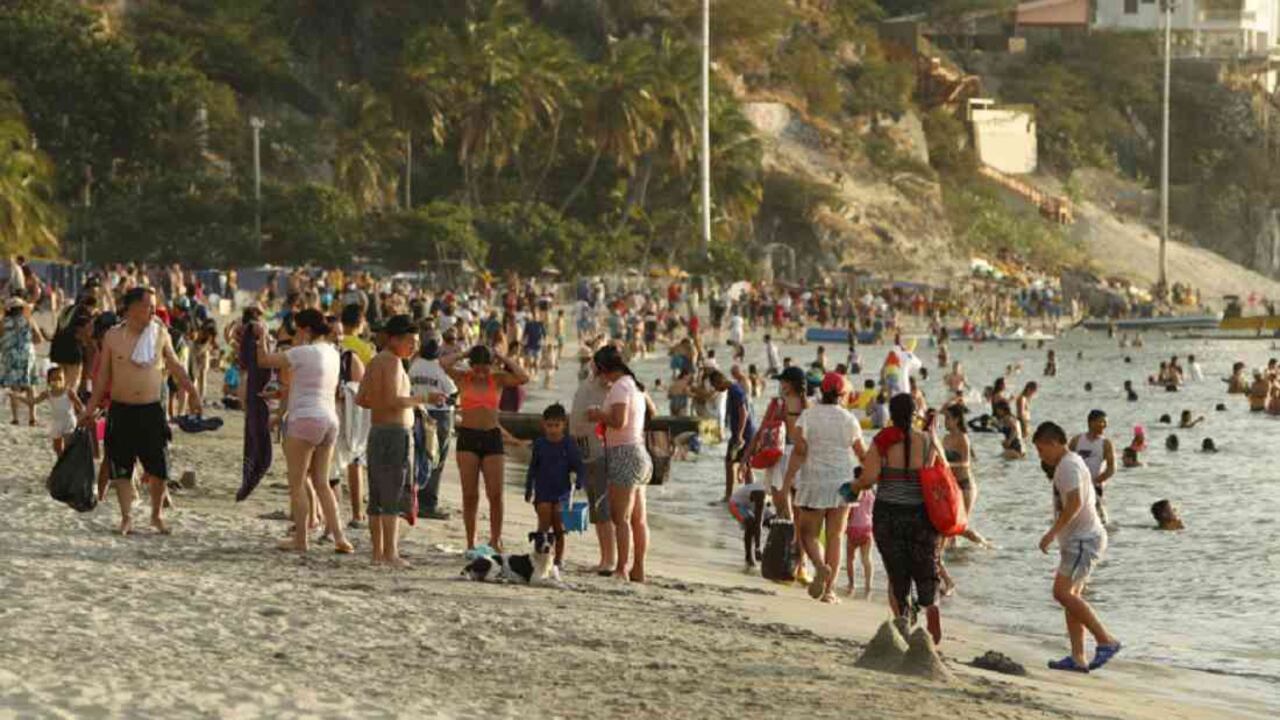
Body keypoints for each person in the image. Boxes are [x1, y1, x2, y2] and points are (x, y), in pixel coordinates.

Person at [78, 287, 202, 536]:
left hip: (151, 409)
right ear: (131, 308)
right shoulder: (113, 337)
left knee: (159, 467)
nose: (153, 311)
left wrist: (193, 393)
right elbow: (102, 379)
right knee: (121, 466)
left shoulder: (159, 333)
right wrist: (88, 409)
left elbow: (176, 366)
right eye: (148, 306)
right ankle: (126, 518)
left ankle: (156, 516)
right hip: (121, 409)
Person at [255, 308, 354, 554]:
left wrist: (262, 336)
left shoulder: (302, 352)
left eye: (298, 330)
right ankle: (340, 537)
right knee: (322, 482)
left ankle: (301, 538)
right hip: (330, 419)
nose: (296, 334)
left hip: (304, 419)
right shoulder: (332, 352)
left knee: (297, 483)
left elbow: (264, 360)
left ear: (306, 330)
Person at [853, 393, 945, 644]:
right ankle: (932, 609)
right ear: (915, 414)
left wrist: (854, 485)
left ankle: (903, 619)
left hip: (889, 515)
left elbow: (869, 478)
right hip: (921, 514)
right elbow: (937, 471)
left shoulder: (882, 441)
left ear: (891, 414)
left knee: (897, 572)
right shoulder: (927, 440)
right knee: (927, 568)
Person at [1032, 422, 1121, 673]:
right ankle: (1078, 657)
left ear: (1054, 443)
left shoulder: (1068, 466)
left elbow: (1074, 503)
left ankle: (1106, 640)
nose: (1041, 456)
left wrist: (1051, 533)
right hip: (1081, 539)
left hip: (1084, 540)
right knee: (1071, 598)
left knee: (1062, 593)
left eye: (1041, 450)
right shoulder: (1070, 461)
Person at [781, 372, 865, 604]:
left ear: (822, 391)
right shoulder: (849, 419)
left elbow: (799, 450)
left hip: (813, 481)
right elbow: (861, 454)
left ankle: (819, 566)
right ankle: (829, 592)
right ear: (842, 394)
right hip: (843, 482)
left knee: (808, 533)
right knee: (836, 536)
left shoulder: (807, 416)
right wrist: (870, 478)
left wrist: (788, 480)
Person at [356, 315, 429, 567]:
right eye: (411, 341)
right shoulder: (394, 363)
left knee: (377, 494)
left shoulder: (376, 361)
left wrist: (388, 404)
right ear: (395, 339)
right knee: (392, 495)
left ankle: (378, 553)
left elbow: (362, 399)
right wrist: (424, 399)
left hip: (378, 431)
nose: (414, 347)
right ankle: (390, 553)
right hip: (394, 434)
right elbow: (394, 400)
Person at [443, 344, 529, 550]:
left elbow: (523, 377)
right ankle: (471, 541)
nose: (481, 372)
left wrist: (500, 355)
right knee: (470, 494)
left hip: (492, 437)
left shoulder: (497, 379)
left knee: (495, 494)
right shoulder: (463, 377)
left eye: (485, 367)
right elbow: (443, 363)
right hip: (468, 437)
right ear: (471, 365)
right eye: (477, 367)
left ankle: (495, 538)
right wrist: (464, 352)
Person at [587, 345, 655, 582]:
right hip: (640, 453)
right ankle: (638, 568)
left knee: (621, 518)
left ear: (604, 368)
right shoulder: (635, 386)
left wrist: (598, 414)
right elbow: (652, 412)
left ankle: (622, 569)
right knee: (639, 519)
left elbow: (618, 420)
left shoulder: (619, 387)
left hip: (623, 454)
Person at [524, 403, 585, 573]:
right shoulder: (540, 443)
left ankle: (558, 559)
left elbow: (578, 465)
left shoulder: (569, 443)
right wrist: (529, 488)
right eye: (549, 425)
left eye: (556, 425)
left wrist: (579, 481)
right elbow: (533, 468)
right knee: (543, 523)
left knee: (559, 526)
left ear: (564, 424)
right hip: (543, 489)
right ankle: (539, 557)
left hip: (562, 491)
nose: (553, 429)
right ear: (543, 424)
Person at [570, 362, 614, 574]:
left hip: (601, 453)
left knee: (603, 508)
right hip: (585, 452)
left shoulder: (612, 387)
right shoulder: (588, 384)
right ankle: (605, 557)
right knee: (596, 510)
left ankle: (610, 560)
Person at [408, 337, 456, 521]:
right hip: (440, 415)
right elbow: (452, 394)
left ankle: (415, 499)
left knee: (419, 456)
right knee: (437, 459)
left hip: (418, 412)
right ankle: (429, 503)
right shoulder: (438, 369)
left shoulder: (414, 366)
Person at [942, 405, 987, 547]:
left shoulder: (963, 438)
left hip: (966, 485)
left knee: (960, 526)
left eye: (948, 418)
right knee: (949, 526)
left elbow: (966, 463)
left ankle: (986, 546)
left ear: (956, 420)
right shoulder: (945, 438)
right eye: (945, 418)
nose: (945, 422)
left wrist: (948, 465)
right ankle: (952, 556)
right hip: (952, 486)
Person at [12, 365, 82, 455]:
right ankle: (61, 465)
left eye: (60, 378)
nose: (57, 381)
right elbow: (33, 402)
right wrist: (19, 397)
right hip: (57, 422)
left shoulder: (68, 392)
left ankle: (69, 463)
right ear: (49, 382)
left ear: (64, 380)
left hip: (68, 420)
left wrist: (83, 415)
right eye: (54, 379)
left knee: (68, 446)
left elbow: (79, 405)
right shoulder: (48, 394)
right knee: (57, 448)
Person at [0, 298, 45, 425]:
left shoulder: (3, 322)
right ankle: (32, 418)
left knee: (13, 386)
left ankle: (15, 418)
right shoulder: (28, 320)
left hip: (9, 355)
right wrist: (28, 343)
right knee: (30, 386)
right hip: (27, 353)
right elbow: (39, 338)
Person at [712, 369, 754, 503]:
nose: (715, 389)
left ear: (720, 381)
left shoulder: (735, 391)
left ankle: (729, 496)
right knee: (746, 464)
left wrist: (739, 435)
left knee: (730, 463)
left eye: (715, 386)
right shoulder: (733, 389)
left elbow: (744, 413)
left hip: (743, 434)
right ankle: (751, 495)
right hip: (746, 432)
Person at [1069, 410, 1116, 526]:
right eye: (1102, 422)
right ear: (1091, 422)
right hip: (1076, 485)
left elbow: (1111, 469)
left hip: (1095, 486)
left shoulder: (1106, 443)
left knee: (1099, 521)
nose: (1104, 425)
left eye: (1105, 423)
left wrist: (1095, 481)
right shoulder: (1077, 440)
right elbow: (1066, 462)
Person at [728, 478, 767, 570]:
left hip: (749, 506)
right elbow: (758, 521)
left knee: (772, 522)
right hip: (736, 504)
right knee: (751, 523)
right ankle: (749, 557)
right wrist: (758, 548)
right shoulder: (760, 491)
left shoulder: (771, 489)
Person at [844, 481, 874, 596]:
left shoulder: (853, 492)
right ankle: (868, 586)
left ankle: (851, 584)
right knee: (867, 559)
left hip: (853, 527)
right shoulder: (871, 493)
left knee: (850, 559)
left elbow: (849, 511)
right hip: (867, 528)